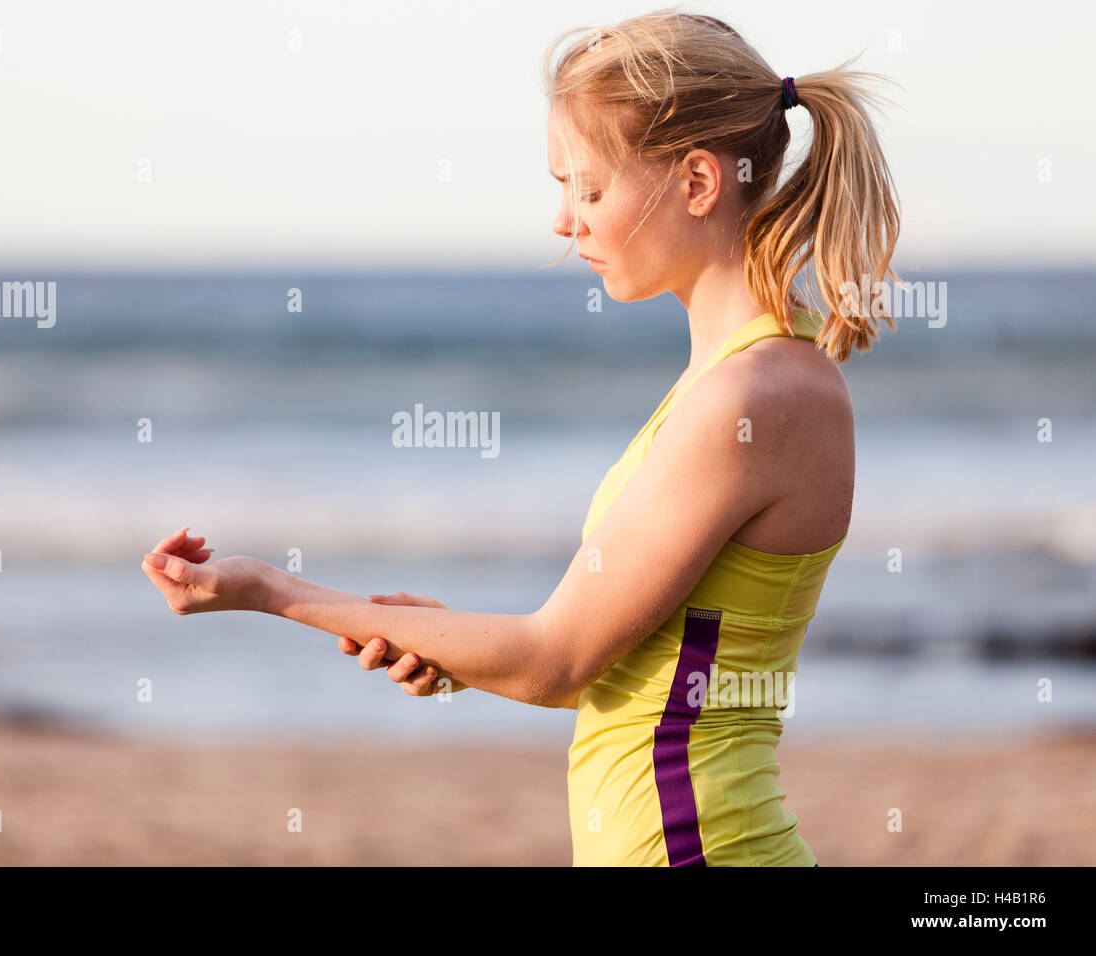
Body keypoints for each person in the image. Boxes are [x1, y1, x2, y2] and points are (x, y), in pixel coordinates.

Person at [141, 8, 900, 866]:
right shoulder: (742, 379)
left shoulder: (753, 396)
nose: (564, 221)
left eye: (589, 188)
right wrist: (455, 645)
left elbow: (557, 662)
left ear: (697, 182)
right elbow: (637, 675)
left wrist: (271, 591)